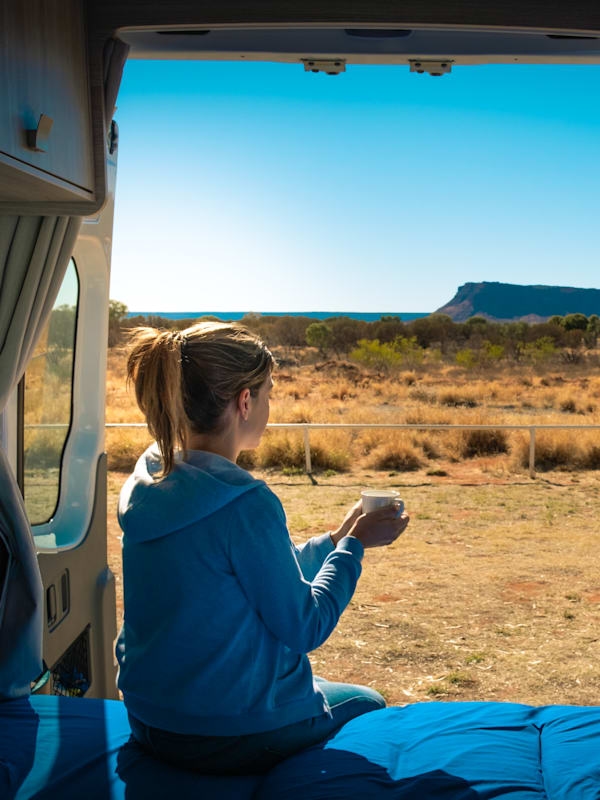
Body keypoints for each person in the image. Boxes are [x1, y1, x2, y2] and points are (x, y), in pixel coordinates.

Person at [116, 321, 410, 775]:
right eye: (269, 392)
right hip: (224, 735)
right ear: (245, 401)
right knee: (366, 700)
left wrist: (335, 537)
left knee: (321, 686)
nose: (270, 405)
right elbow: (304, 627)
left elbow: (244, 574)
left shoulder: (150, 482)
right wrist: (354, 547)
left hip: (150, 720)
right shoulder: (245, 503)